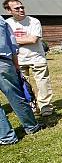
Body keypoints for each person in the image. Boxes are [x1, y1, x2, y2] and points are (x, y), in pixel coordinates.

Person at [3, 0, 54, 116]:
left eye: (22, 7)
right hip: (18, 60)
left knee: (43, 83)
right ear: (9, 10)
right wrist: (17, 41)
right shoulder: (7, 24)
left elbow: (33, 39)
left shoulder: (34, 21)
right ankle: (31, 106)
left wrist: (12, 41)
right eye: (17, 8)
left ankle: (45, 107)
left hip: (37, 58)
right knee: (23, 85)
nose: (21, 10)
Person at [0, 14, 42, 145]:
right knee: (16, 95)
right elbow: (12, 43)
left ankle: (6, 137)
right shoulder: (1, 20)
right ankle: (31, 126)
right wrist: (15, 64)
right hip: (4, 62)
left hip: (4, 61)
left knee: (16, 96)